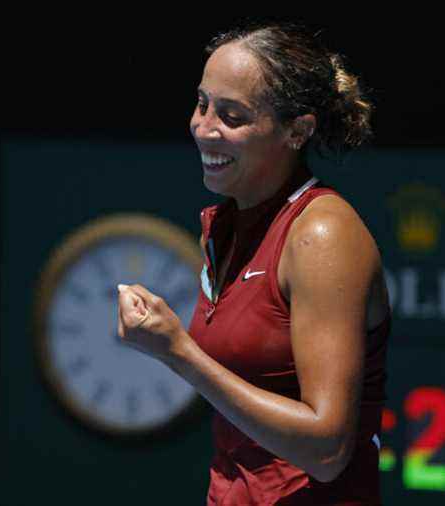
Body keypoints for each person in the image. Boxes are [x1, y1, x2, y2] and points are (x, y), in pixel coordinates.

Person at [117, 21, 391, 505]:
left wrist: (178, 351)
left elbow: (326, 450)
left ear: (297, 131)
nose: (204, 127)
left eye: (232, 115)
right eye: (202, 104)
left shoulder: (321, 235)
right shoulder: (224, 226)